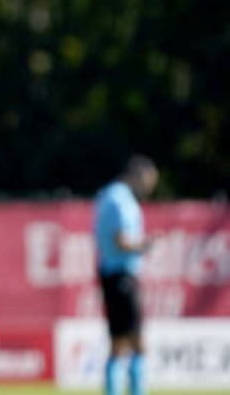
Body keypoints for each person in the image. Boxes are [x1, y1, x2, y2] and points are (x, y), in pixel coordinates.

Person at [94, 154, 158, 395]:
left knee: (119, 344)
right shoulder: (121, 200)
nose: (149, 189)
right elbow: (121, 240)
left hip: (112, 275)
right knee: (135, 343)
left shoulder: (108, 195)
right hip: (122, 276)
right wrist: (145, 244)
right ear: (138, 176)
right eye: (149, 182)